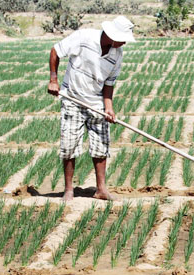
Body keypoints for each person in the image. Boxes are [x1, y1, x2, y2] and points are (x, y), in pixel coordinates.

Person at [47, 16, 135, 201]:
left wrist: (108, 107)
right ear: (111, 35)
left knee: (101, 145)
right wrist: (53, 80)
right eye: (122, 38)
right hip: (72, 98)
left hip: (96, 103)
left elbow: (109, 84)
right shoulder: (84, 38)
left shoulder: (117, 55)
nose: (124, 42)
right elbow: (55, 51)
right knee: (69, 145)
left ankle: (101, 189)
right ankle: (69, 190)